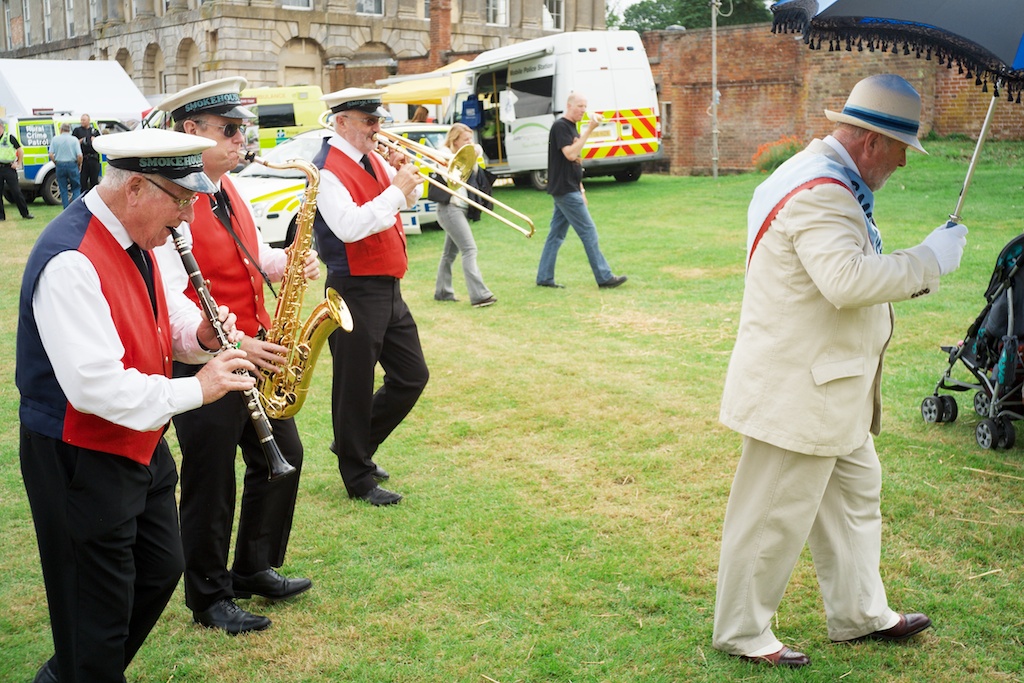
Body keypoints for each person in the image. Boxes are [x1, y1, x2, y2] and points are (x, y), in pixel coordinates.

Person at [713, 74, 969, 668]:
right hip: (801, 386)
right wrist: (928, 260)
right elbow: (846, 280)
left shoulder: (818, 175)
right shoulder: (823, 191)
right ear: (874, 142)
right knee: (773, 514)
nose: (904, 163)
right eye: (904, 148)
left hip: (829, 382)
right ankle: (742, 631)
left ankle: (859, 614)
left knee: (856, 495)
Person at [17, 127, 257, 683]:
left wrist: (200, 335)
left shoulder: (136, 235)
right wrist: (200, 388)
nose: (190, 218)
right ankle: (86, 667)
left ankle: (75, 671)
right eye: (183, 201)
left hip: (139, 443)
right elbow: (95, 388)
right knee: (94, 611)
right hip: (82, 454)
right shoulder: (71, 261)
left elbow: (157, 325)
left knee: (160, 566)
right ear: (135, 190)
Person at [152, 77, 316, 635]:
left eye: (242, 129)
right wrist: (236, 342)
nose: (242, 138)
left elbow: (251, 251)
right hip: (205, 361)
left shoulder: (227, 188)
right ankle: (209, 598)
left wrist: (283, 262)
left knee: (282, 458)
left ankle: (252, 567)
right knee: (210, 482)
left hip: (251, 353)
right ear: (191, 132)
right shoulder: (177, 198)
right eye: (230, 129)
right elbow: (174, 292)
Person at [313, 87, 429, 506]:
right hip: (354, 285)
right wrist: (395, 191)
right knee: (354, 385)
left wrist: (405, 182)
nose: (377, 128)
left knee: (412, 375)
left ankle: (353, 444)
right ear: (341, 121)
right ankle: (357, 475)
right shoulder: (325, 170)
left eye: (377, 119)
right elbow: (348, 225)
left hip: (386, 283)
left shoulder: (373, 156)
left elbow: (401, 204)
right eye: (369, 120)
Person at [536, 92, 625, 290]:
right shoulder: (560, 126)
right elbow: (570, 154)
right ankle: (604, 277)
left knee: (556, 235)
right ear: (569, 106)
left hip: (569, 188)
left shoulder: (571, 127)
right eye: (580, 106)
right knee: (589, 232)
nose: (583, 110)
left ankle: (544, 277)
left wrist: (582, 189)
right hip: (565, 190)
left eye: (585, 106)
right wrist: (590, 130)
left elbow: (576, 162)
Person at [433, 123, 497, 308]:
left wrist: (473, 157)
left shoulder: (467, 155)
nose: (470, 143)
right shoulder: (442, 154)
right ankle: (480, 295)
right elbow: (451, 179)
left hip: (459, 209)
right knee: (470, 250)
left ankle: (443, 292)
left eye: (471, 139)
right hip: (450, 209)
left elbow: (476, 179)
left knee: (449, 254)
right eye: (466, 140)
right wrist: (466, 157)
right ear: (454, 141)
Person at [0, 117, 34, 220]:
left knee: (16, 191)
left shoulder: (9, 137)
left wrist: (18, 163)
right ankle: (1, 216)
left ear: (1, 127)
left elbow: (20, 150)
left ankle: (25, 213)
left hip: (9, 167)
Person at [48, 122, 83, 208]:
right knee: (76, 187)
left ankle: (66, 208)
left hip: (60, 164)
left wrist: (56, 162)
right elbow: (79, 155)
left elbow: (51, 154)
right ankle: (75, 208)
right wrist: (79, 164)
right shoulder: (74, 139)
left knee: (63, 188)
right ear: (69, 130)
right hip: (72, 164)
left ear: (61, 129)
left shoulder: (55, 139)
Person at [73, 113, 103, 192]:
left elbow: (100, 143)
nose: (82, 121)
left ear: (88, 121)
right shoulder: (77, 131)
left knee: (94, 181)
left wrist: (95, 140)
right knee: (83, 181)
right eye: (81, 120)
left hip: (93, 158)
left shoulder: (94, 131)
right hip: (83, 158)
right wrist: (81, 140)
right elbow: (73, 143)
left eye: (84, 120)